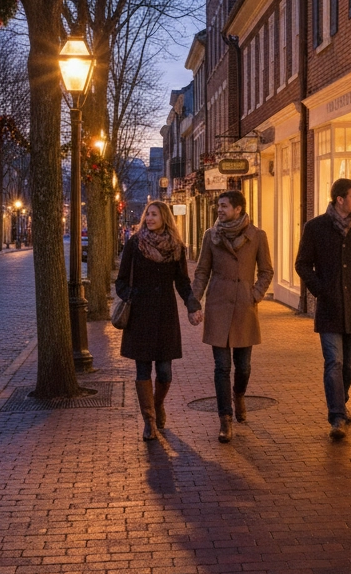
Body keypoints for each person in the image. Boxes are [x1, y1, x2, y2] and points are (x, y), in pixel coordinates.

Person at [295, 178, 351, 440]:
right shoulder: (316, 228)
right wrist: (320, 289)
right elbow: (302, 264)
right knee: (334, 361)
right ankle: (336, 417)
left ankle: (341, 403)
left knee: (350, 365)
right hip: (330, 307)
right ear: (340, 200)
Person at [191, 190, 274, 443]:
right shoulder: (210, 236)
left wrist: (255, 294)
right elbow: (202, 271)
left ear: (238, 209)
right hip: (218, 305)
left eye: (224, 205)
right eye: (219, 205)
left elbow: (267, 271)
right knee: (221, 367)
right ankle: (224, 419)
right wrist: (194, 301)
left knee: (244, 366)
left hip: (244, 308)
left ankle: (239, 395)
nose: (219, 209)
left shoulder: (257, 236)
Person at [115, 200, 200, 441]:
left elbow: (182, 282)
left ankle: (157, 404)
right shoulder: (134, 244)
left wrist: (192, 305)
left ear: (165, 218)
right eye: (147, 214)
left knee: (165, 372)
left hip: (165, 314)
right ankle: (149, 421)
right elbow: (121, 281)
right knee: (142, 369)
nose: (149, 218)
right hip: (140, 315)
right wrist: (132, 295)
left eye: (154, 214)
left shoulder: (176, 247)